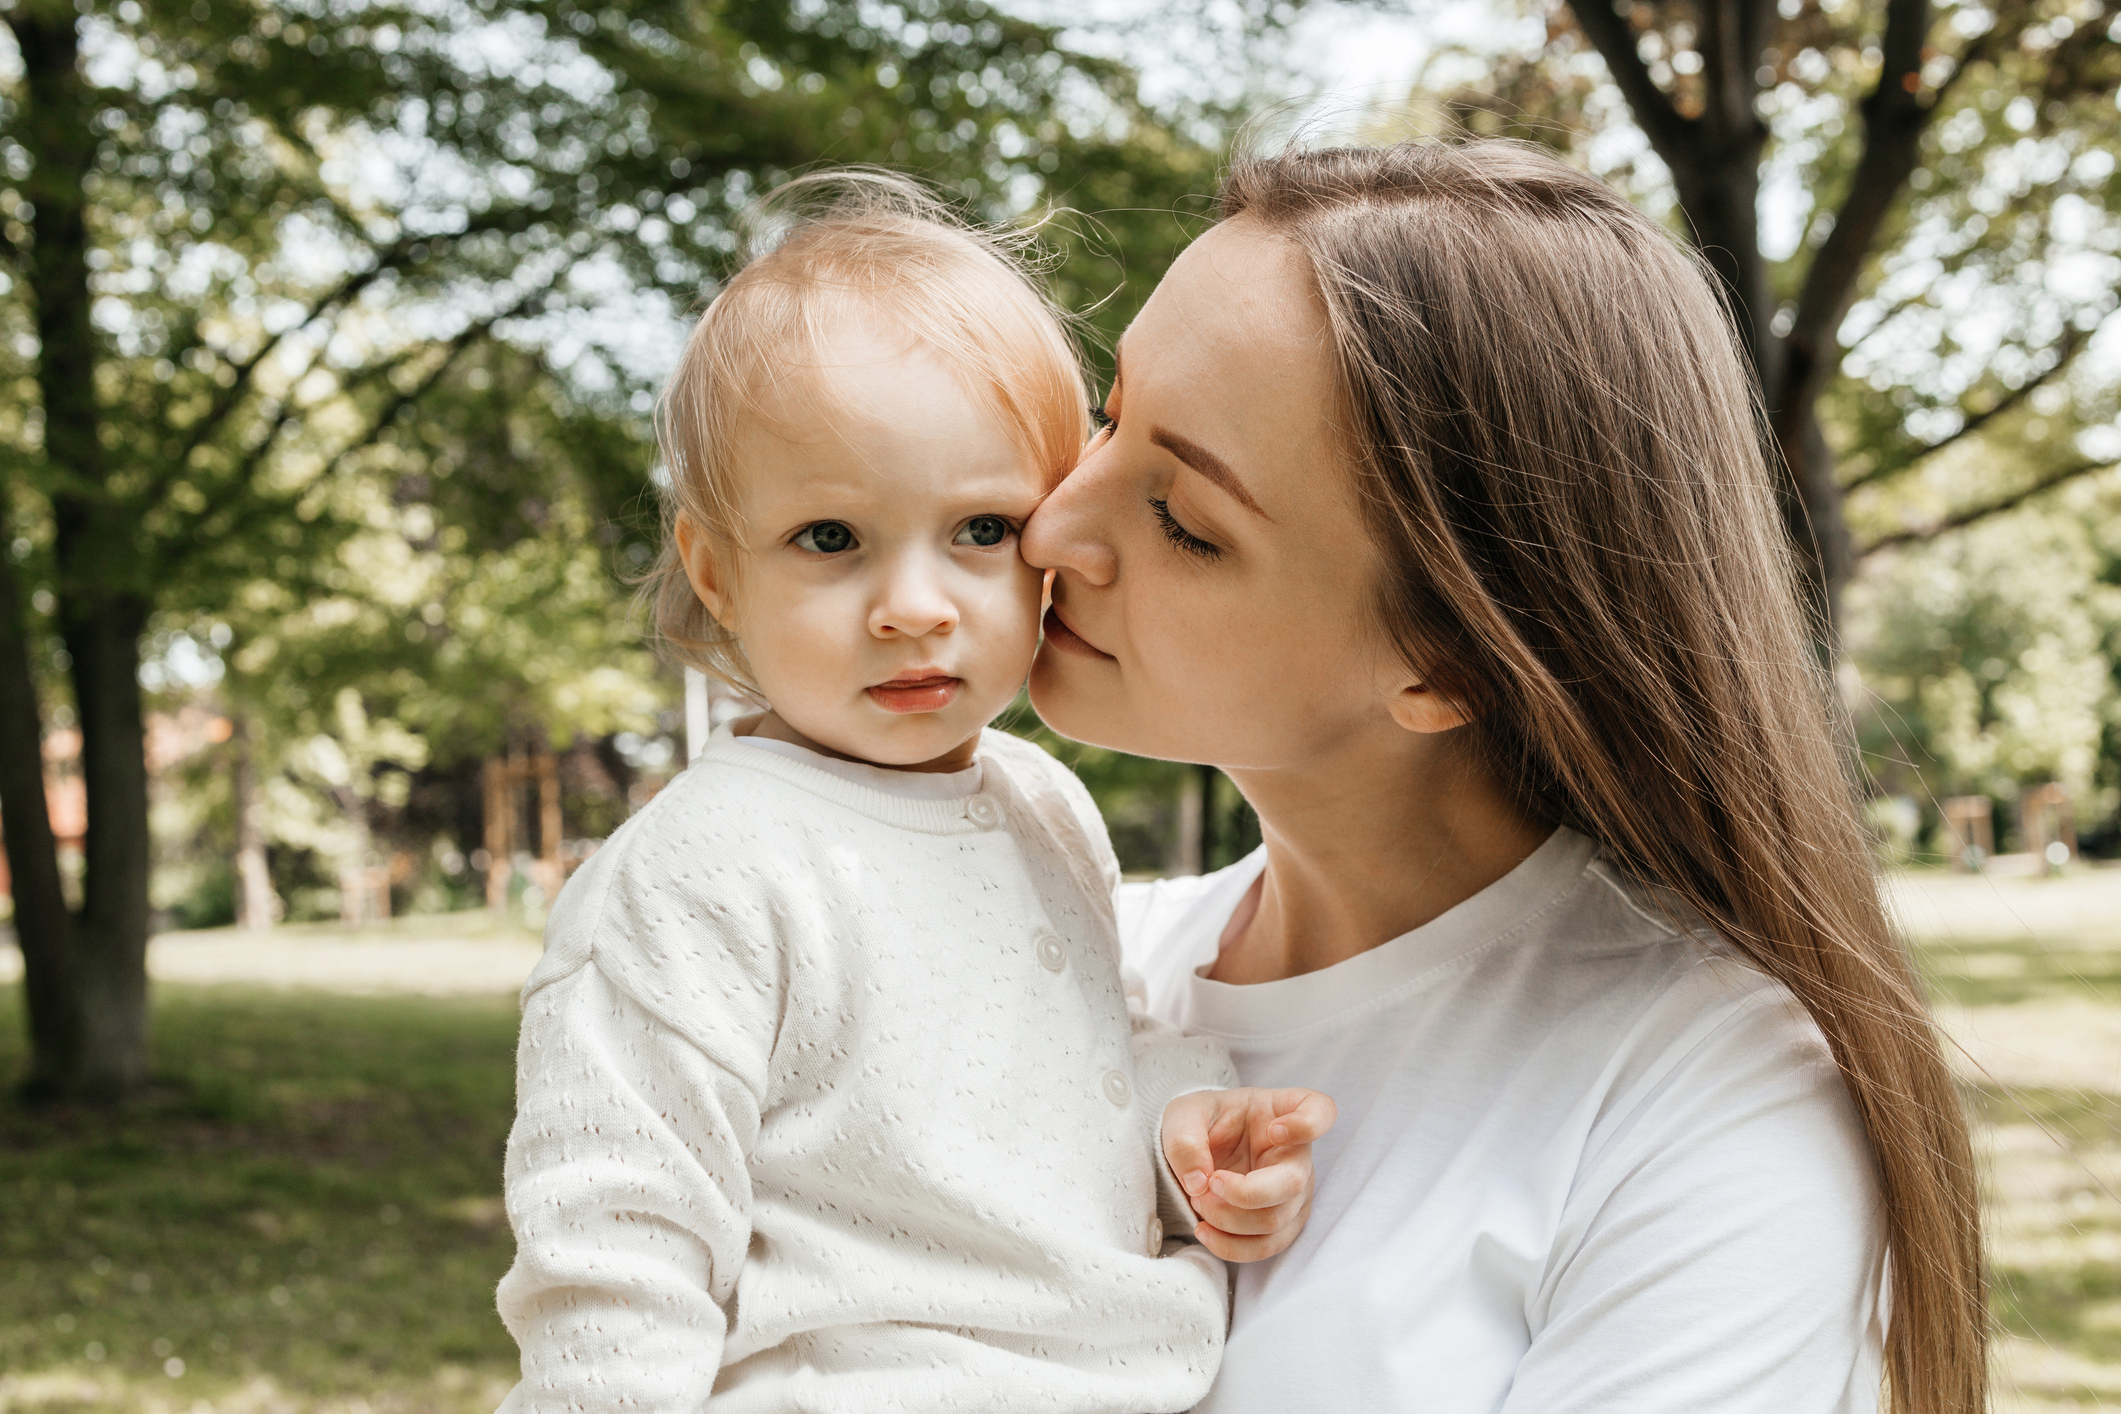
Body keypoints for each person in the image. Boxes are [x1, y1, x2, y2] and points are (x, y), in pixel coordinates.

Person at [1021, 139, 1984, 1414]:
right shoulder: (1075, 961)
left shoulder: (1709, 1100)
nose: (1052, 524)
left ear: (1452, 661)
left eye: (1188, 522)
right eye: (1108, 412)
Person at [492, 177, 1335, 1414]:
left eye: (982, 529)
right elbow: (613, 1251)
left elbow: (1052, 1079)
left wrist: (1181, 1137)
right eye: (832, 539)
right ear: (717, 573)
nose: (915, 604)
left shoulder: (1043, 804)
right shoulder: (700, 873)